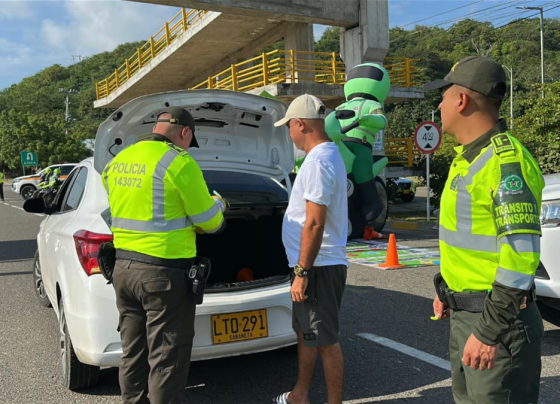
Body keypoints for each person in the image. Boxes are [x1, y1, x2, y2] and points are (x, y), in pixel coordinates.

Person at [425, 56, 545, 403]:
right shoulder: (468, 159)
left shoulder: (505, 163)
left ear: (462, 100)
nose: (440, 105)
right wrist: (448, 287)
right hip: (467, 315)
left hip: (498, 325)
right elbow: (470, 239)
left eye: (444, 96)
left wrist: (489, 332)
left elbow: (519, 259)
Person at [101, 106, 226, 404]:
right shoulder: (179, 162)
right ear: (185, 132)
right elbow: (210, 222)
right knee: (167, 357)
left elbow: (120, 198)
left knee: (133, 353)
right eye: (190, 141)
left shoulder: (120, 159)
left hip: (123, 269)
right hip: (163, 275)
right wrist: (219, 204)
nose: (188, 146)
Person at [272, 94, 348, 404]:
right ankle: (299, 395)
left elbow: (315, 223)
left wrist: (302, 272)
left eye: (289, 126)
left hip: (318, 266)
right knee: (307, 332)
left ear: (300, 124)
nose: (289, 134)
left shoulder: (318, 162)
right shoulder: (327, 155)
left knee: (326, 340)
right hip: (314, 265)